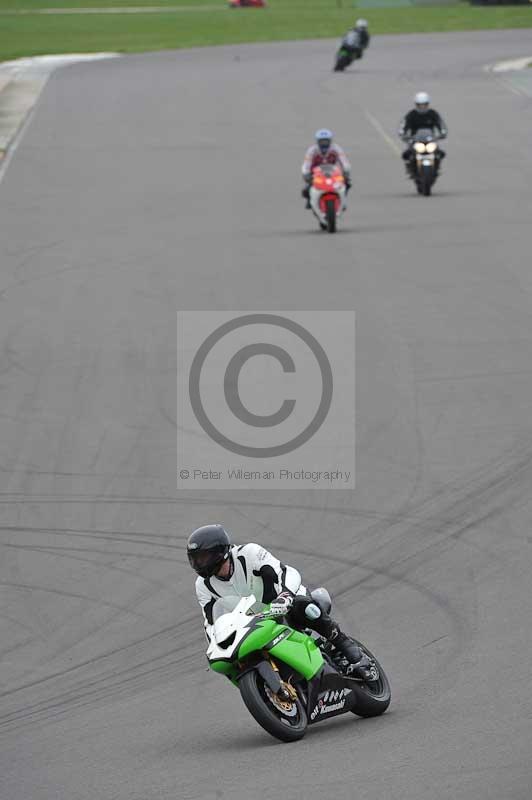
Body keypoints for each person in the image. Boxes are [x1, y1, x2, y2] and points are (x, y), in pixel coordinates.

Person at [187, 524, 374, 680]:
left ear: (220, 551)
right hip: (254, 623)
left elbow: (285, 572)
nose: (199, 564)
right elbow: (211, 621)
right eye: (195, 559)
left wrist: (284, 596)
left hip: (285, 602)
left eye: (203, 557)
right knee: (231, 660)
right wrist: (215, 645)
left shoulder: (249, 553)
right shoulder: (202, 585)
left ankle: (350, 650)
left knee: (305, 607)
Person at [398, 92, 447, 176]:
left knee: (440, 154)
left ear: (427, 104)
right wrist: (403, 134)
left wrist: (442, 133)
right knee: (406, 154)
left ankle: (437, 167)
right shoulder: (412, 114)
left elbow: (440, 124)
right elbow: (403, 125)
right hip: (415, 140)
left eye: (424, 105)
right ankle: (410, 168)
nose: (422, 107)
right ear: (416, 105)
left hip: (430, 139)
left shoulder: (432, 114)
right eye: (420, 105)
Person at [301, 129, 352, 209]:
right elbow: (306, 163)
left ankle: (342, 201)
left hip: (332, 171)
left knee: (346, 184)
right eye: (322, 141)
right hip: (315, 172)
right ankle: (310, 200)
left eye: (326, 141)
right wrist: (306, 173)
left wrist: (346, 171)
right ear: (317, 141)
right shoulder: (312, 150)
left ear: (330, 141)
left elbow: (344, 160)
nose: (324, 143)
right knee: (306, 190)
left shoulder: (336, 148)